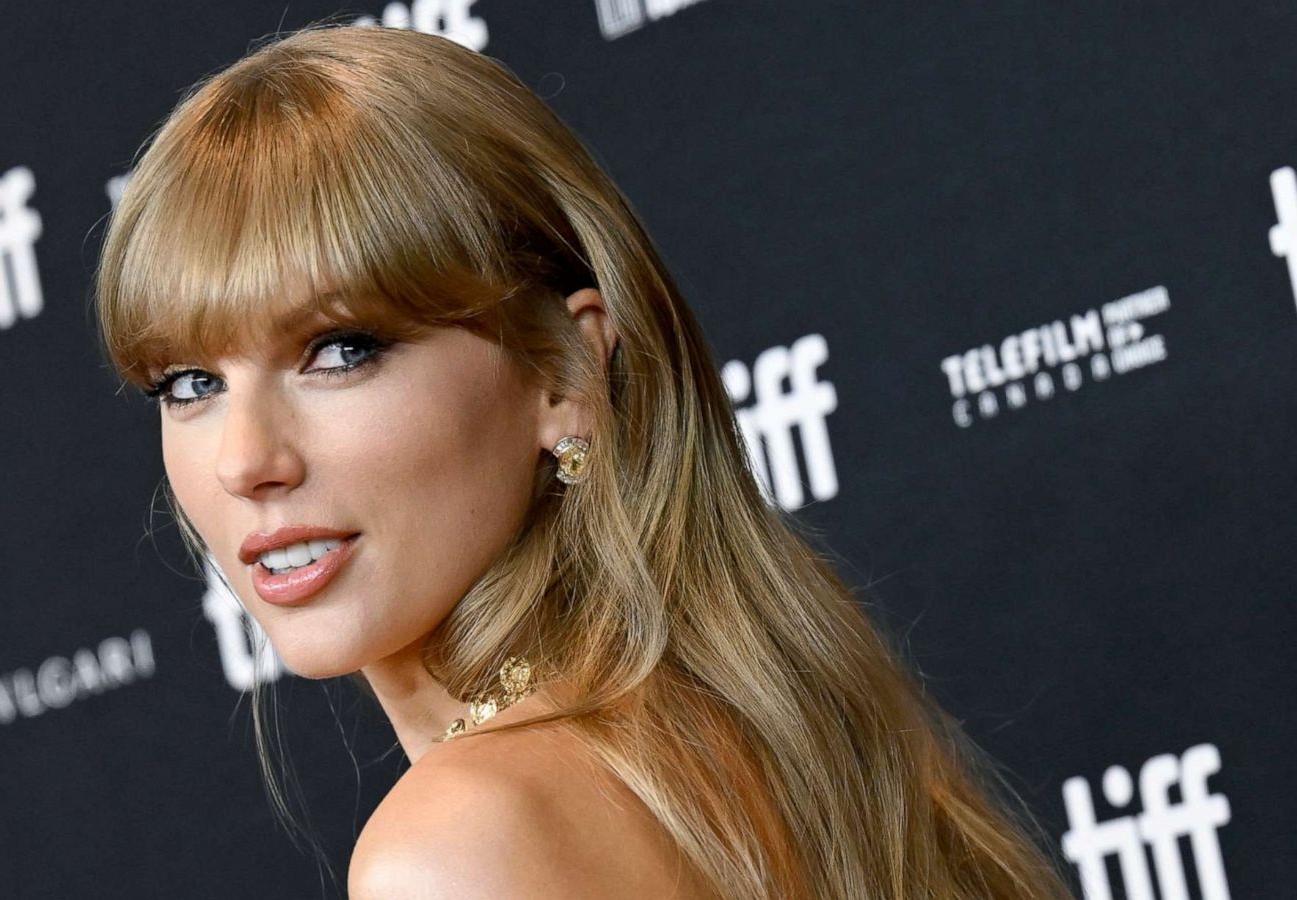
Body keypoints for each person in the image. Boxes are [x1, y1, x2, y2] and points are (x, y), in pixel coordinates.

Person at [93, 21, 1074, 900]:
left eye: (341, 351)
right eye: (187, 383)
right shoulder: (790, 745)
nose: (244, 460)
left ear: (561, 373)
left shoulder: (453, 851)